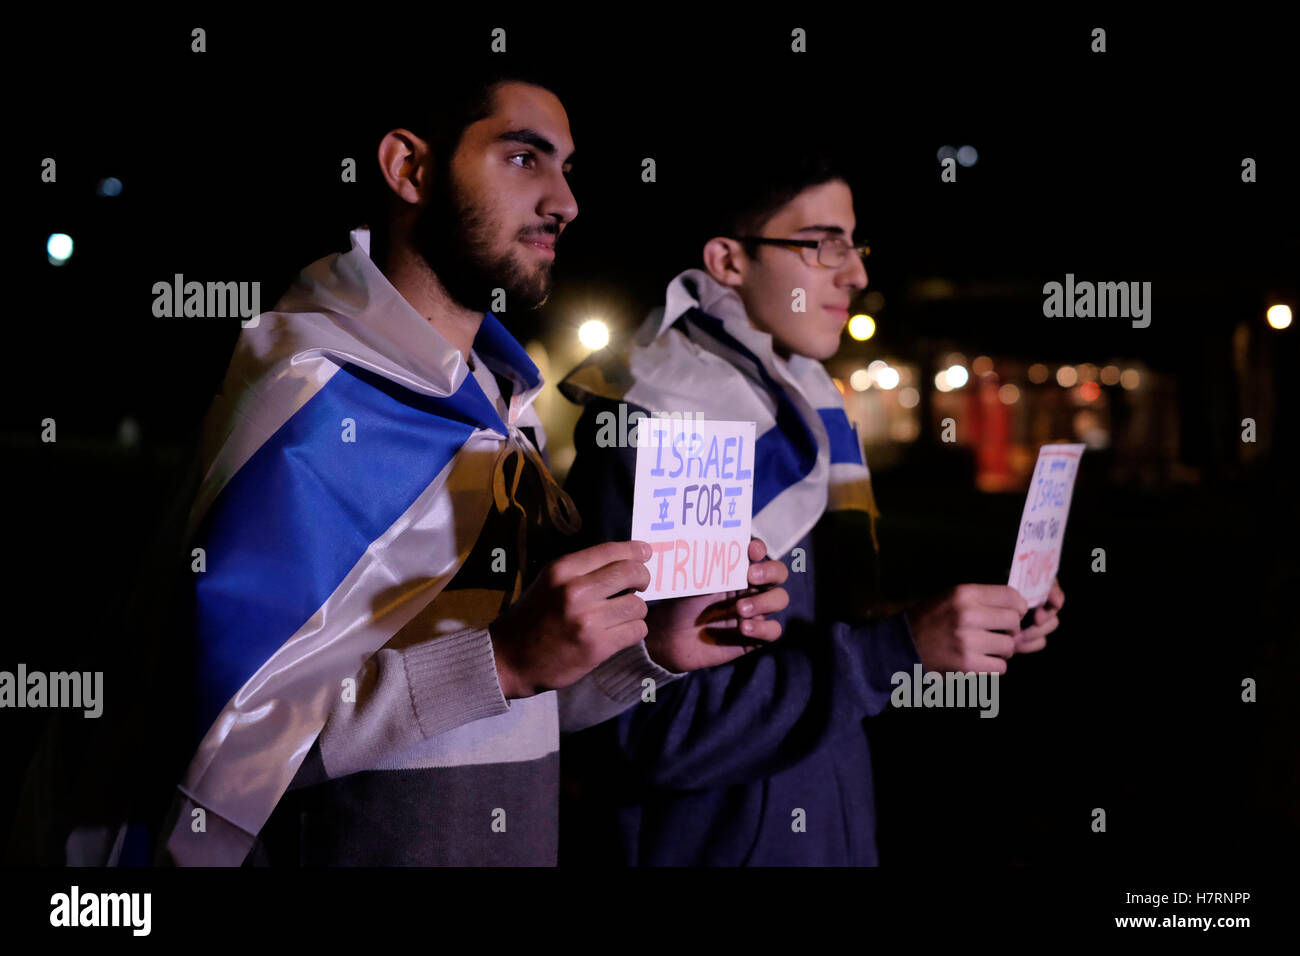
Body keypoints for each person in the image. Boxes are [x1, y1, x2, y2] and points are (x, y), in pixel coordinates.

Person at [144, 64, 789, 866]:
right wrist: (506, 660)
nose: (565, 200)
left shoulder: (497, 408)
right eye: (525, 157)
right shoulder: (316, 400)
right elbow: (218, 760)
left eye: (566, 167)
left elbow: (493, 712)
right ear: (407, 168)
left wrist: (648, 645)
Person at [558, 148, 1065, 865]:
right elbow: (658, 730)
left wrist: (946, 622)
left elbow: (813, 637)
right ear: (728, 261)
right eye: (822, 243)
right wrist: (895, 652)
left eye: (854, 244)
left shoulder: (801, 404)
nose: (855, 272)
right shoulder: (685, 420)